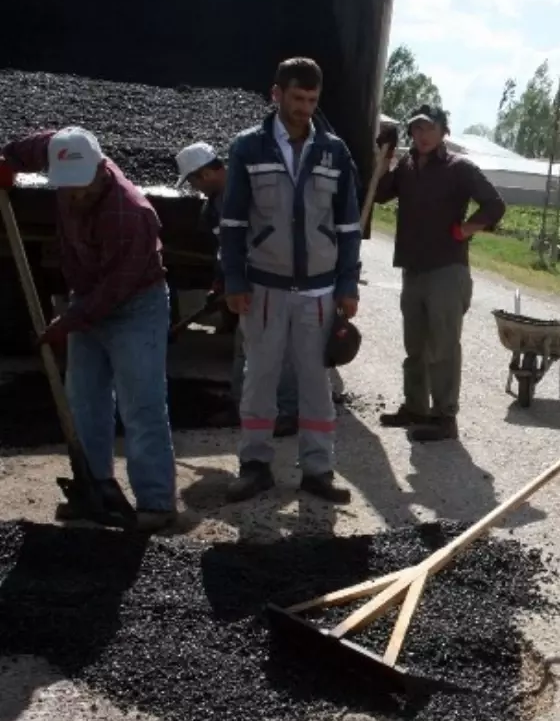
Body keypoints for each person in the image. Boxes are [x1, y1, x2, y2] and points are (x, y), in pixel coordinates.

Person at [0, 127, 177, 531]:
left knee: (141, 403)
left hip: (136, 303)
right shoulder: (66, 154)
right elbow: (29, 148)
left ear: (100, 171)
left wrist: (67, 323)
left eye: (81, 189)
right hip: (87, 294)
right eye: (66, 190)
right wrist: (5, 164)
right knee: (84, 399)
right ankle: (94, 489)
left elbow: (116, 289)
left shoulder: (132, 213)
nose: (74, 197)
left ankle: (156, 502)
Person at [218, 57, 362, 504]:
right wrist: (235, 278)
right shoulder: (247, 148)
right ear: (276, 93)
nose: (305, 109)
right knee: (259, 378)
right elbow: (233, 221)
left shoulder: (334, 152)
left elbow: (348, 228)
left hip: (319, 293)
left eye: (312, 100)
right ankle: (255, 465)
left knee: (316, 386)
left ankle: (318, 470)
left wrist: (348, 285)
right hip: (263, 289)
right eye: (297, 98)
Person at [373, 103, 506, 442]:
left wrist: (466, 229)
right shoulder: (406, 166)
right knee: (414, 344)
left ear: (444, 131)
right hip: (413, 267)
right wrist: (385, 155)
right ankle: (415, 406)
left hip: (447, 269)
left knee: (443, 346)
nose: (422, 135)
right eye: (417, 129)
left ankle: (444, 416)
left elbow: (495, 204)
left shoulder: (458, 168)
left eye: (429, 128)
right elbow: (380, 194)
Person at [175, 142, 300, 436]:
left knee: (279, 349)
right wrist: (222, 283)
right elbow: (226, 250)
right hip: (247, 284)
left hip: (271, 281)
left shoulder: (251, 191)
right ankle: (242, 405)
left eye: (193, 181)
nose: (195, 188)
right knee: (247, 348)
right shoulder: (216, 204)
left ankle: (287, 411)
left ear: (205, 173)